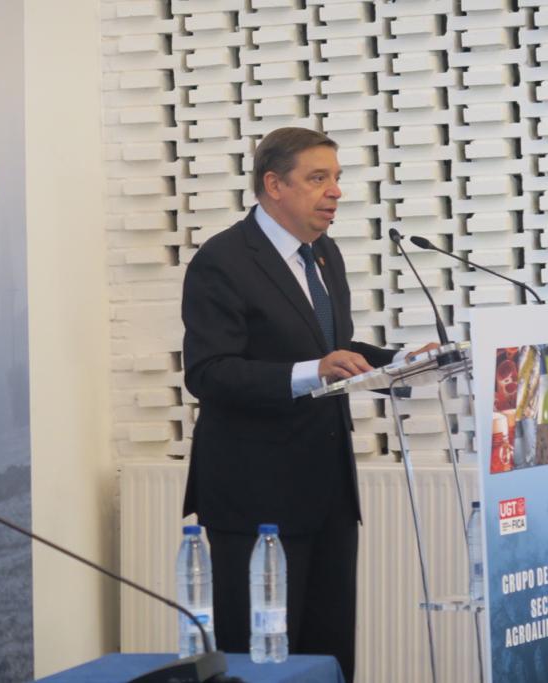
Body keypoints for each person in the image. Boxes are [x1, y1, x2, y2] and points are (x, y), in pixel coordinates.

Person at [181, 127, 435, 681]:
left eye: (337, 178)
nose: (335, 191)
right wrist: (311, 371)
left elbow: (329, 349)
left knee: (328, 656)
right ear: (274, 185)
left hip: (329, 495)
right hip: (255, 501)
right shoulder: (223, 260)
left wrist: (403, 361)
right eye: (318, 178)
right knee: (262, 663)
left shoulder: (324, 253)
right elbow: (209, 372)